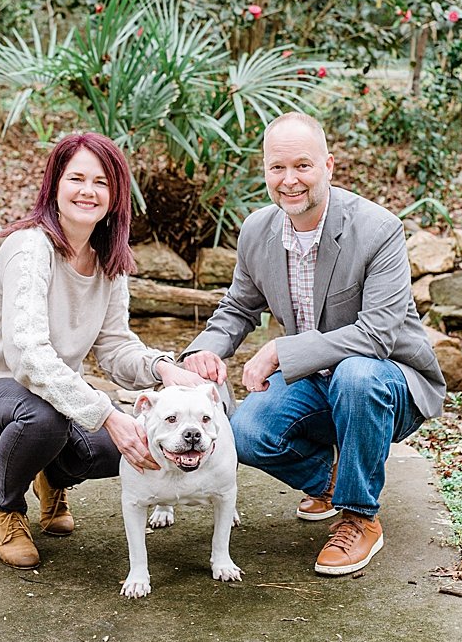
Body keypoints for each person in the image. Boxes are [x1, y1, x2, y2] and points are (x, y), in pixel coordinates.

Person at [179, 112, 444, 577]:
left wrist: (282, 352)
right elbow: (239, 308)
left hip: (388, 380)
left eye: (302, 166)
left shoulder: (377, 229)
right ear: (265, 171)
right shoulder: (258, 231)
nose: (290, 181)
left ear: (329, 166)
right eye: (277, 168)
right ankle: (333, 483)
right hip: (315, 383)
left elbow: (377, 333)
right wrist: (203, 351)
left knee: (356, 374)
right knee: (242, 432)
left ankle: (360, 516)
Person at [0, 132, 208, 569]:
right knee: (46, 419)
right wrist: (107, 414)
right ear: (54, 185)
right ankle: (7, 508)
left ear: (116, 195)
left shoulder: (109, 260)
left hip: (52, 399)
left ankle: (50, 476)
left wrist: (164, 369)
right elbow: (28, 354)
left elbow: (115, 347)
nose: (88, 191)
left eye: (101, 182)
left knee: (136, 441)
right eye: (77, 178)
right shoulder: (30, 249)